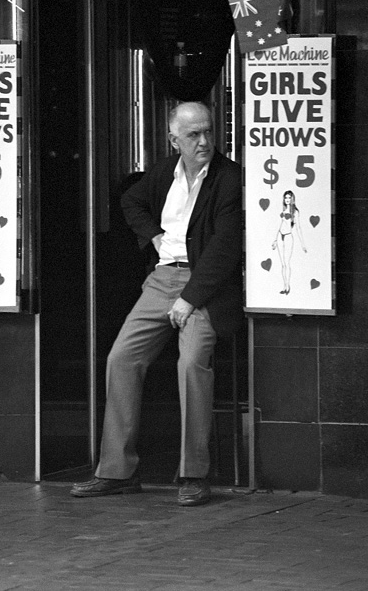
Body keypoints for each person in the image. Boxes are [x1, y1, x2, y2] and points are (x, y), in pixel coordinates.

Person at [71, 101, 242, 506]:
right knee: (121, 359)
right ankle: (117, 471)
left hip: (205, 285)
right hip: (162, 278)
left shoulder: (230, 178)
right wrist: (153, 235)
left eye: (208, 132)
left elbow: (225, 248)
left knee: (191, 365)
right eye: (193, 135)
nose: (204, 141)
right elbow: (130, 201)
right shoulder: (165, 172)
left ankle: (194, 474)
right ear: (174, 139)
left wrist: (189, 299)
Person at [271, 190, 307, 295]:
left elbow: (298, 228)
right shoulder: (282, 210)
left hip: (288, 237)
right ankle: (284, 286)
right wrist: (274, 239)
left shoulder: (295, 212)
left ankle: (288, 286)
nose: (287, 199)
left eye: (289, 198)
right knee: (282, 264)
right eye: (285, 197)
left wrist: (303, 244)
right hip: (280, 236)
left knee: (287, 263)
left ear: (292, 199)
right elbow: (278, 225)